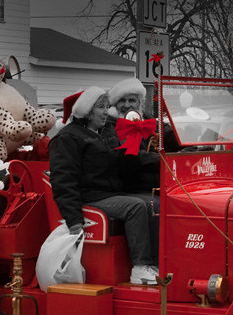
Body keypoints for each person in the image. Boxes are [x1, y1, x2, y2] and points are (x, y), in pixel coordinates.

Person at [48, 87, 160, 285]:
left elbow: (125, 167)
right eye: (101, 107)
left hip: (110, 193)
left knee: (154, 203)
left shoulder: (105, 133)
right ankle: (140, 267)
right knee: (135, 206)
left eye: (107, 106)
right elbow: (64, 179)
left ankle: (156, 264)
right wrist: (74, 220)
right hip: (90, 196)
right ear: (87, 111)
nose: (106, 111)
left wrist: (133, 146)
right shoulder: (68, 137)